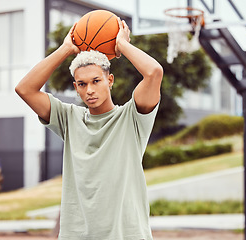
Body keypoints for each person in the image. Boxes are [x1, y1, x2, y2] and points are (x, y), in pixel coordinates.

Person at [15, 17, 163, 240]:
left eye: (96, 81)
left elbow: (154, 72)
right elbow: (24, 89)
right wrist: (66, 49)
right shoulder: (68, 118)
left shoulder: (132, 117)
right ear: (76, 87)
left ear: (110, 80)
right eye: (82, 84)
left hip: (127, 235)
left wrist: (121, 44)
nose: (89, 90)